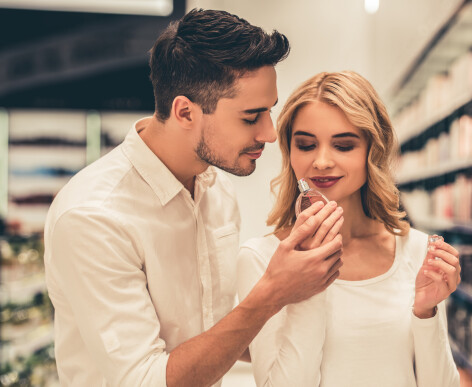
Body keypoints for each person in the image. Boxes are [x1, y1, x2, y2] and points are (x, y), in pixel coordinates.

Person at [43, 9, 344, 387]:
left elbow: (214, 329)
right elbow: (145, 380)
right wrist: (272, 292)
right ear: (185, 111)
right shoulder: (92, 217)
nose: (269, 134)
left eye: (269, 112)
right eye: (251, 117)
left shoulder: (216, 191)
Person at [237, 71, 462, 387]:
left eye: (343, 145)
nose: (322, 161)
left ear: (373, 150)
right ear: (290, 151)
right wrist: (307, 285)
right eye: (306, 144)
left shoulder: (417, 251)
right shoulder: (261, 259)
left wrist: (426, 313)